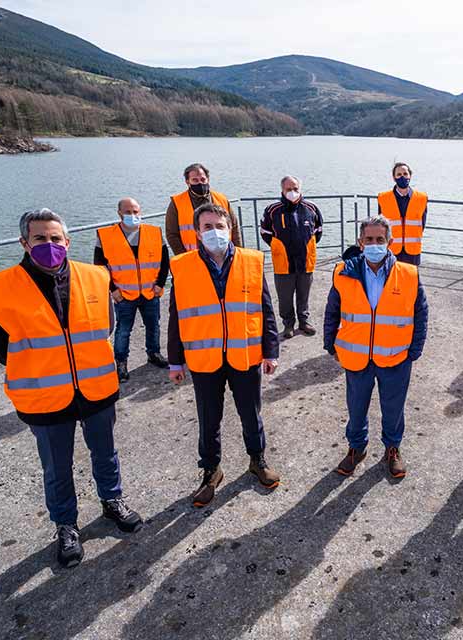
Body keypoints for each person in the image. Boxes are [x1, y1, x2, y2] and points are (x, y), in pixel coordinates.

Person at [0, 209, 143, 568]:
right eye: (40, 238)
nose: (49, 245)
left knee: (106, 452)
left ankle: (112, 501)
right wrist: (42, 365)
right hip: (44, 394)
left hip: (95, 386)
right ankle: (66, 525)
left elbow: (107, 327)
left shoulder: (96, 276)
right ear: (24, 242)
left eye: (55, 238)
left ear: (67, 242)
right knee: (56, 466)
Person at [167, 203, 281, 506]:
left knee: (250, 413)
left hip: (244, 356)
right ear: (197, 232)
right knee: (208, 418)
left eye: (220, 226)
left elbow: (265, 309)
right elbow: (176, 316)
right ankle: (211, 470)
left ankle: (257, 460)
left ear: (230, 229)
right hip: (204, 360)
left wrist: (271, 351)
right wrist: (175, 360)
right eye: (207, 227)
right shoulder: (182, 265)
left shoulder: (252, 261)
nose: (214, 231)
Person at [322, 215, 428, 479]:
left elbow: (421, 312)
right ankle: (356, 448)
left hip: (395, 357)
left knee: (393, 408)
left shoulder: (409, 274)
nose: (374, 244)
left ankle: (392, 448)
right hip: (356, 357)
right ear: (360, 242)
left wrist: (414, 350)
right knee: (356, 408)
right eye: (369, 239)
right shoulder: (343, 272)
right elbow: (332, 311)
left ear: (390, 242)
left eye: (380, 239)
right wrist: (330, 344)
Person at [94, 197, 169, 381]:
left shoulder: (154, 232)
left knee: (154, 326)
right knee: (123, 330)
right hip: (123, 294)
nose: (133, 215)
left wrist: (160, 284)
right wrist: (112, 290)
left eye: (135, 211)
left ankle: (154, 354)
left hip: (150, 292)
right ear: (119, 213)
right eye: (128, 212)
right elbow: (99, 266)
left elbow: (165, 261)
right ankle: (121, 362)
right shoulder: (106, 235)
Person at [260, 175, 324, 339]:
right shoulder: (272, 210)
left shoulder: (311, 208)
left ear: (300, 189)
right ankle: (288, 324)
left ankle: (304, 321)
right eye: (288, 189)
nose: (292, 192)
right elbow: (265, 233)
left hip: (305, 262)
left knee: (304, 294)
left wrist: (307, 247)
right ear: (282, 190)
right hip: (283, 263)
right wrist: (278, 248)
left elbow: (318, 231)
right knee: (285, 297)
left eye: (295, 189)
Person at [165, 162, 242, 255]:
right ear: (187, 182)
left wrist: (237, 252)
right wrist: (183, 257)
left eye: (202, 179)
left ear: (208, 179)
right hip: (193, 256)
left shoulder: (222, 199)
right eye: (195, 180)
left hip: (223, 254)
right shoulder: (176, 203)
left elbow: (234, 227)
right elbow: (172, 235)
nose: (200, 183)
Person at [376, 162, 426, 266]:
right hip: (391, 249)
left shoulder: (421, 198)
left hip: (412, 250)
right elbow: (381, 226)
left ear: (410, 176)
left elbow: (422, 224)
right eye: (399, 174)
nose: (402, 177)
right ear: (394, 178)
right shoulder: (383, 198)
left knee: (412, 279)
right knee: (391, 279)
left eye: (405, 173)